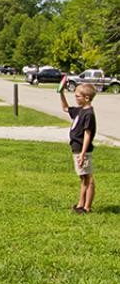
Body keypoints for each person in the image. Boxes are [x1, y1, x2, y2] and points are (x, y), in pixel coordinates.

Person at [59, 83, 98, 214]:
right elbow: (65, 108)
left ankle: (87, 207)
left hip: (83, 150)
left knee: (88, 179)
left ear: (86, 98)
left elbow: (88, 134)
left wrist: (82, 153)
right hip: (76, 149)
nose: (75, 98)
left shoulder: (89, 114)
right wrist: (61, 93)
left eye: (77, 96)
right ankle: (81, 204)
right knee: (83, 178)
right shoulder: (80, 110)